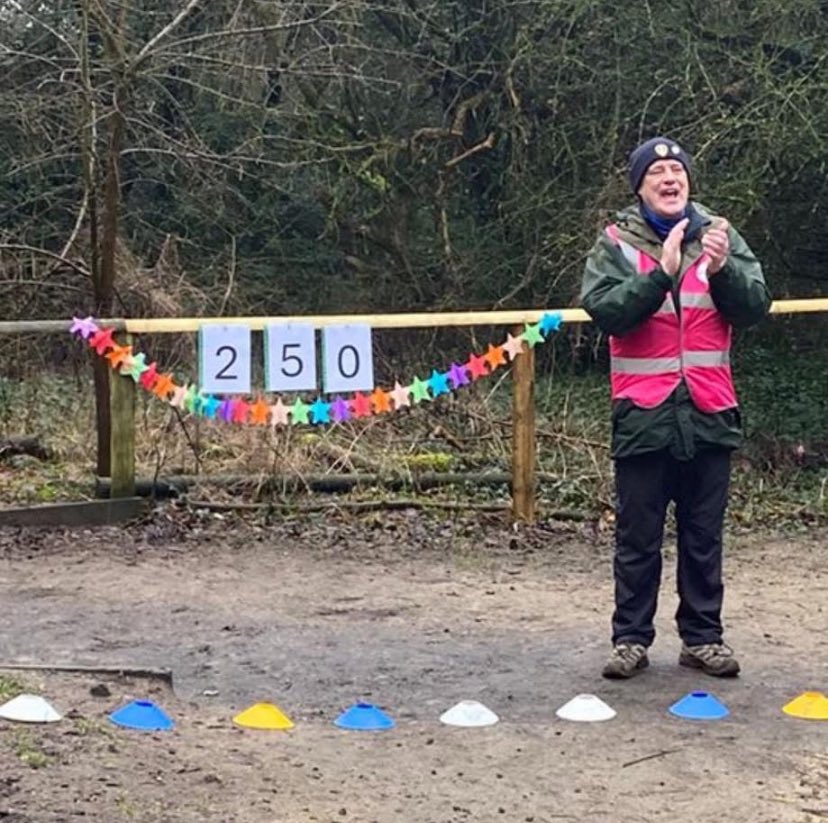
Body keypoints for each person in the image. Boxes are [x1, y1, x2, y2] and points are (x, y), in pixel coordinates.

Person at [581, 136, 771, 679]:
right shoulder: (615, 243)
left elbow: (756, 306)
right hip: (644, 413)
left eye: (677, 171)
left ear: (689, 182)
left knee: (703, 535)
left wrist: (725, 269)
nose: (670, 179)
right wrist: (659, 275)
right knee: (637, 538)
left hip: (710, 410)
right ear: (640, 186)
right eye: (658, 172)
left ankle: (703, 639)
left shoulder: (720, 236)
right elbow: (606, 312)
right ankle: (631, 641)